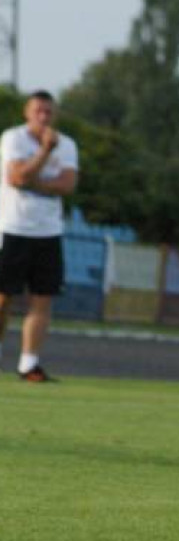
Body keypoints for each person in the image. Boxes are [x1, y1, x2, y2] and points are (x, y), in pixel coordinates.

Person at [0, 90, 79, 382]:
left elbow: (68, 184)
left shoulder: (67, 144)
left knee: (42, 299)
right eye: (38, 111)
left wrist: (35, 181)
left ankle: (29, 364)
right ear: (27, 112)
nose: (43, 117)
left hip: (49, 231)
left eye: (48, 112)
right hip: (13, 227)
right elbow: (16, 178)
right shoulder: (13, 138)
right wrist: (44, 153)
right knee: (4, 297)